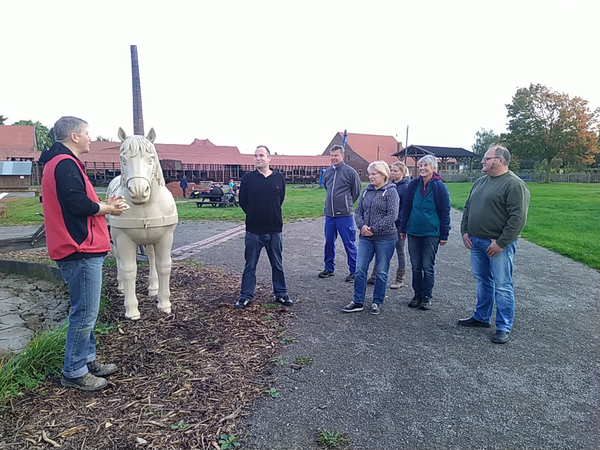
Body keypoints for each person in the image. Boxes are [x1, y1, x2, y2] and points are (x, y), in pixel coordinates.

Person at [40, 116, 129, 391]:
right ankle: (74, 371)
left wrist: (103, 204)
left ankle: (86, 359)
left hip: (80, 247)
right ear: (74, 137)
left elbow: (78, 202)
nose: (91, 137)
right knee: (84, 313)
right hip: (79, 248)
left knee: (86, 310)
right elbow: (77, 204)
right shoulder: (65, 164)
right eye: (87, 133)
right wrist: (109, 210)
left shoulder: (61, 163)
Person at [458, 145, 530, 344]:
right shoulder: (480, 182)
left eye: (486, 158)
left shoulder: (514, 185)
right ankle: (481, 317)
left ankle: (503, 326)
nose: (483, 161)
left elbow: (518, 219)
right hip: (476, 240)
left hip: (497, 244)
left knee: (502, 285)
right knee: (483, 280)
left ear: (500, 160)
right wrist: (465, 231)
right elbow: (468, 207)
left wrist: (501, 243)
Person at [235, 145, 292, 308]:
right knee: (250, 265)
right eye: (255, 156)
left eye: (261, 155)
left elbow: (279, 199)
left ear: (269, 158)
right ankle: (245, 295)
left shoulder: (279, 178)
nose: (258, 158)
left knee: (277, 264)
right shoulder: (247, 179)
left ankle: (281, 294)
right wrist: (254, 213)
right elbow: (243, 202)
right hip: (254, 230)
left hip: (274, 230)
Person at [342, 161, 399, 315]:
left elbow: (392, 216)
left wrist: (373, 229)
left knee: (381, 271)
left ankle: (376, 302)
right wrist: (362, 227)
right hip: (366, 237)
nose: (370, 176)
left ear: (383, 175)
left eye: (374, 174)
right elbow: (358, 211)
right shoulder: (366, 191)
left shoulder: (391, 192)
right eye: (370, 174)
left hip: (385, 238)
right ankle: (358, 301)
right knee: (360, 269)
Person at [399, 155, 451, 311]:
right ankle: (417, 294)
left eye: (426, 165)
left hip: (431, 233)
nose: (422, 168)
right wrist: (403, 228)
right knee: (416, 266)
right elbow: (406, 207)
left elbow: (445, 212)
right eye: (420, 166)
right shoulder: (413, 185)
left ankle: (427, 296)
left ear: (434, 168)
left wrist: (444, 234)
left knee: (427, 266)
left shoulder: (439, 187)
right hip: (414, 231)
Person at [319, 144, 361, 282]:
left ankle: (354, 270)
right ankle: (329, 268)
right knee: (329, 242)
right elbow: (327, 188)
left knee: (349, 242)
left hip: (344, 215)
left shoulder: (350, 172)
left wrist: (345, 203)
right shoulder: (328, 172)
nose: (333, 158)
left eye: (336, 155)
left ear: (342, 156)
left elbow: (356, 192)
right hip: (330, 215)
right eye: (331, 155)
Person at [367, 161, 411, 288]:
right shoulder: (389, 185)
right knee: (380, 248)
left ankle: (400, 278)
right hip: (385, 223)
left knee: (400, 250)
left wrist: (400, 222)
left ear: (403, 172)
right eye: (391, 170)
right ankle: (375, 275)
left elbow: (405, 207)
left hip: (398, 223)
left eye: (395, 171)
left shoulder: (406, 187)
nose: (392, 173)